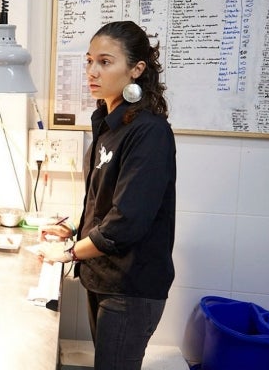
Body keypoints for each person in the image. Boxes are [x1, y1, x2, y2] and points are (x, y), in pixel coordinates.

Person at [39, 20, 176, 370]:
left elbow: (126, 222)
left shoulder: (149, 132)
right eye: (89, 61)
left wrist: (68, 252)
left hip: (130, 287)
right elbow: (105, 201)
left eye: (105, 61)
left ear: (136, 69)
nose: (92, 71)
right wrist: (74, 232)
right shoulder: (109, 122)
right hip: (102, 276)